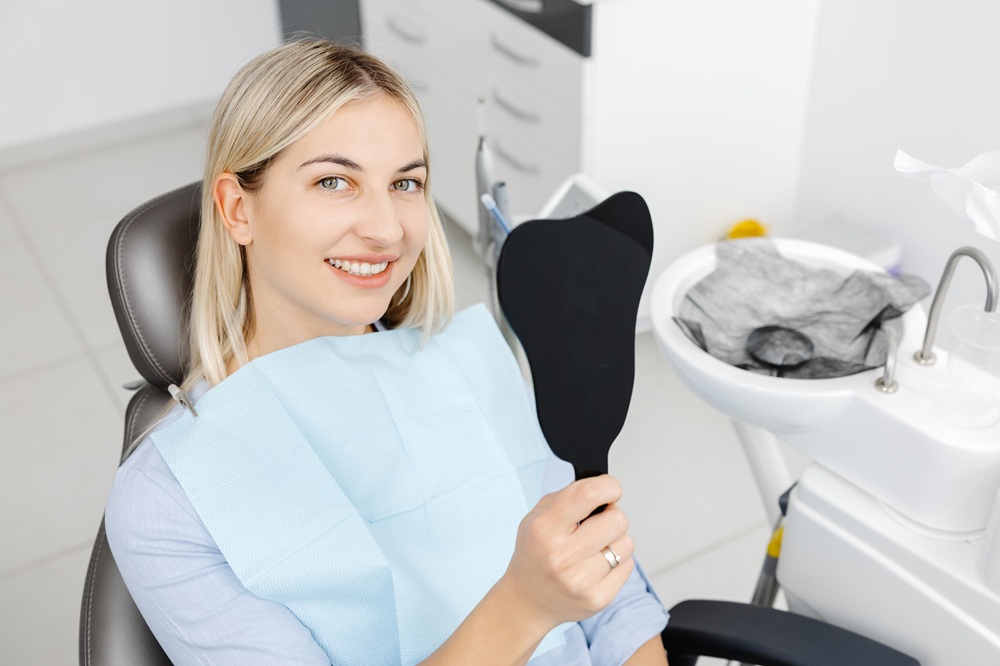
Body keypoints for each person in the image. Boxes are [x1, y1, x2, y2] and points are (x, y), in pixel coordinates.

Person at [105, 39, 668, 665]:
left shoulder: (476, 366)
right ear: (239, 209)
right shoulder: (169, 501)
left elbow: (616, 604)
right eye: (334, 181)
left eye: (405, 183)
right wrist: (525, 606)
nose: (386, 228)